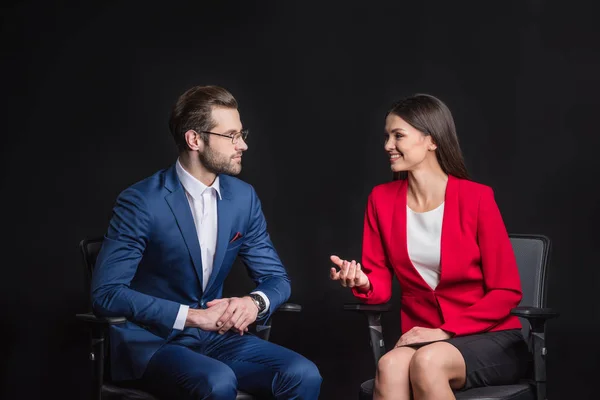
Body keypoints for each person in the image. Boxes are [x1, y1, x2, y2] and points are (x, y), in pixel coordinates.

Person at [91, 85, 321, 400]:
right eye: (231, 136)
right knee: (217, 382)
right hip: (154, 342)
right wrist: (193, 316)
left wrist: (252, 304)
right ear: (195, 139)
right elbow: (106, 294)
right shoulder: (141, 201)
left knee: (302, 374)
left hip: (217, 339)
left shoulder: (243, 198)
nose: (243, 145)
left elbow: (276, 279)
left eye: (242, 134)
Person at [329, 94, 529, 399]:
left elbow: (507, 291)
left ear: (431, 140)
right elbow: (380, 281)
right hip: (425, 338)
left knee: (428, 362)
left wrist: (444, 332)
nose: (387, 146)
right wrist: (363, 281)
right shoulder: (381, 200)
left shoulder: (477, 198)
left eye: (398, 136)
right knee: (390, 365)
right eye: (387, 136)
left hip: (491, 338)